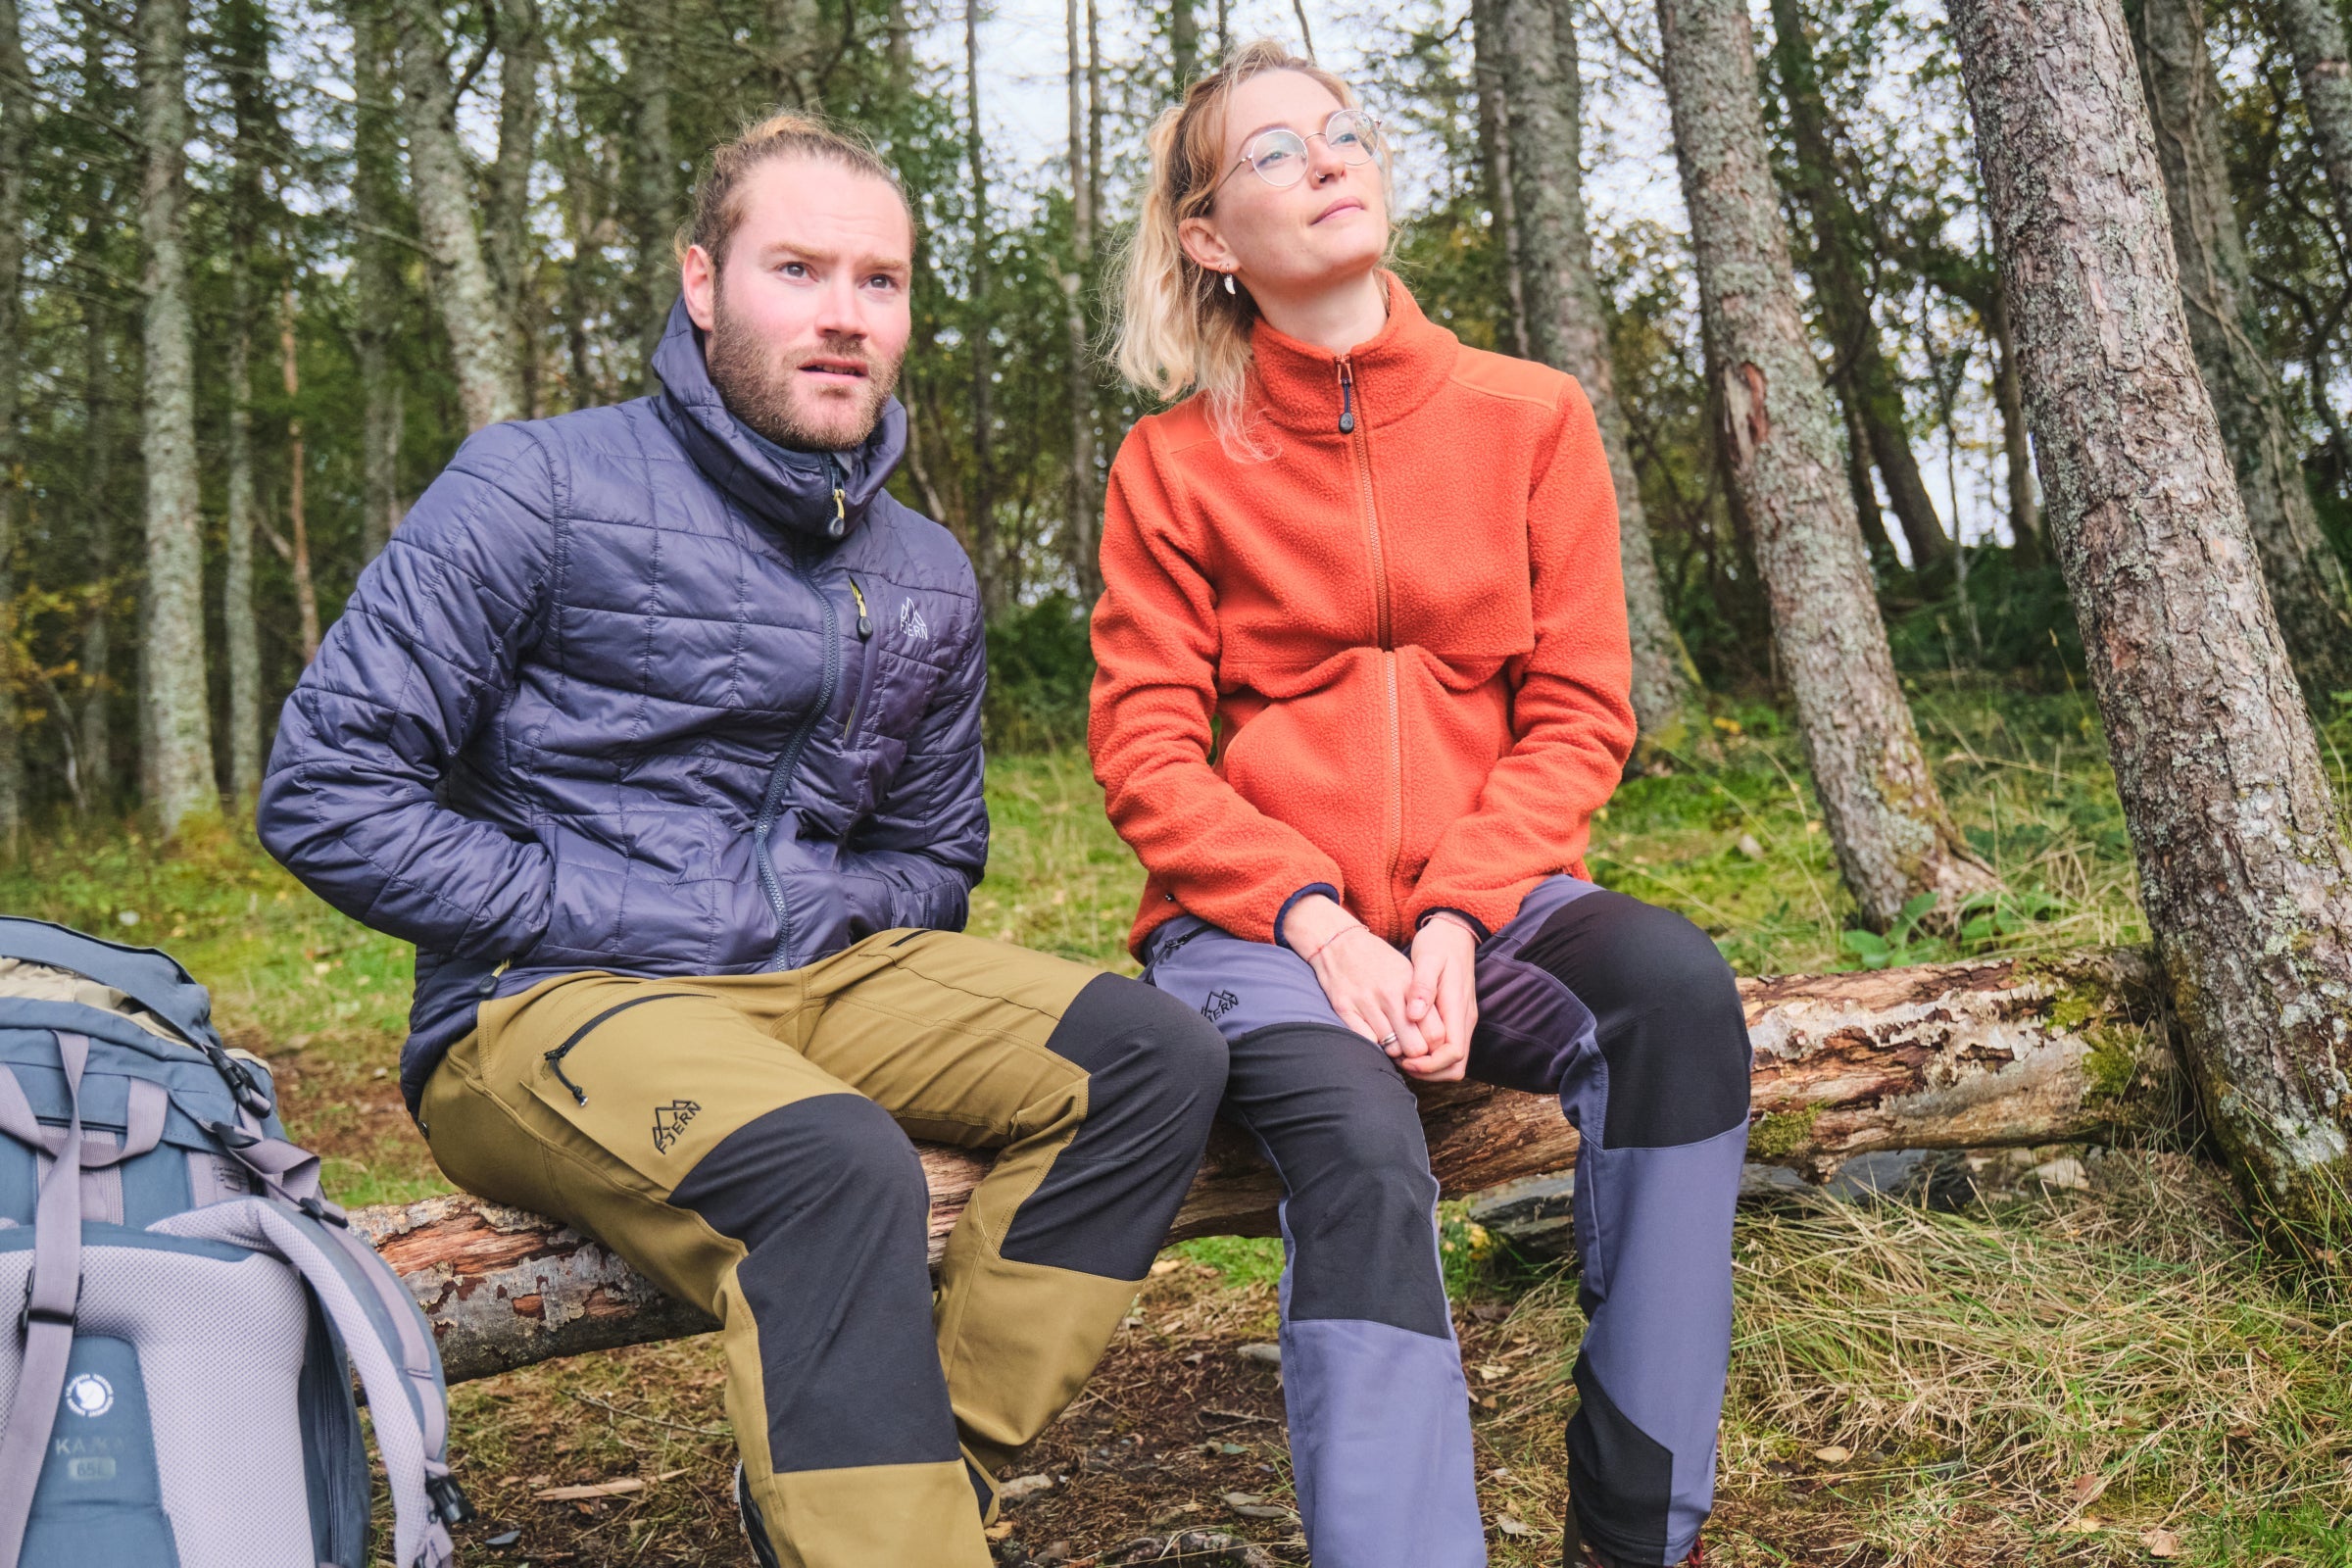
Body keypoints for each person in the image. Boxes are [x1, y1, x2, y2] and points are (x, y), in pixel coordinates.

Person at [258, 114, 1229, 1568]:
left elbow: (936, 848)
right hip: (542, 998)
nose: (845, 314)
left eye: (881, 282)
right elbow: (327, 785)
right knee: (839, 1167)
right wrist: (593, 904)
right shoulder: (534, 484)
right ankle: (880, 1519)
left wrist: (815, 918)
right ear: (703, 283)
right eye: (798, 269)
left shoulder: (925, 569)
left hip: (813, 988)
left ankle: (890, 1491)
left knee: (1155, 1060)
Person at [1090, 42, 1752, 1568]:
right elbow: (1144, 750)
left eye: (1342, 133)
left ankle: (1639, 1533)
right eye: (1274, 153)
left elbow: (1581, 711)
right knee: (1365, 1148)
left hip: (1501, 892)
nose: (1329, 160)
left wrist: (1456, 912)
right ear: (1207, 238)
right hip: (1257, 931)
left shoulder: (1531, 416)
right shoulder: (1172, 465)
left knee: (1675, 997)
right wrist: (1323, 928)